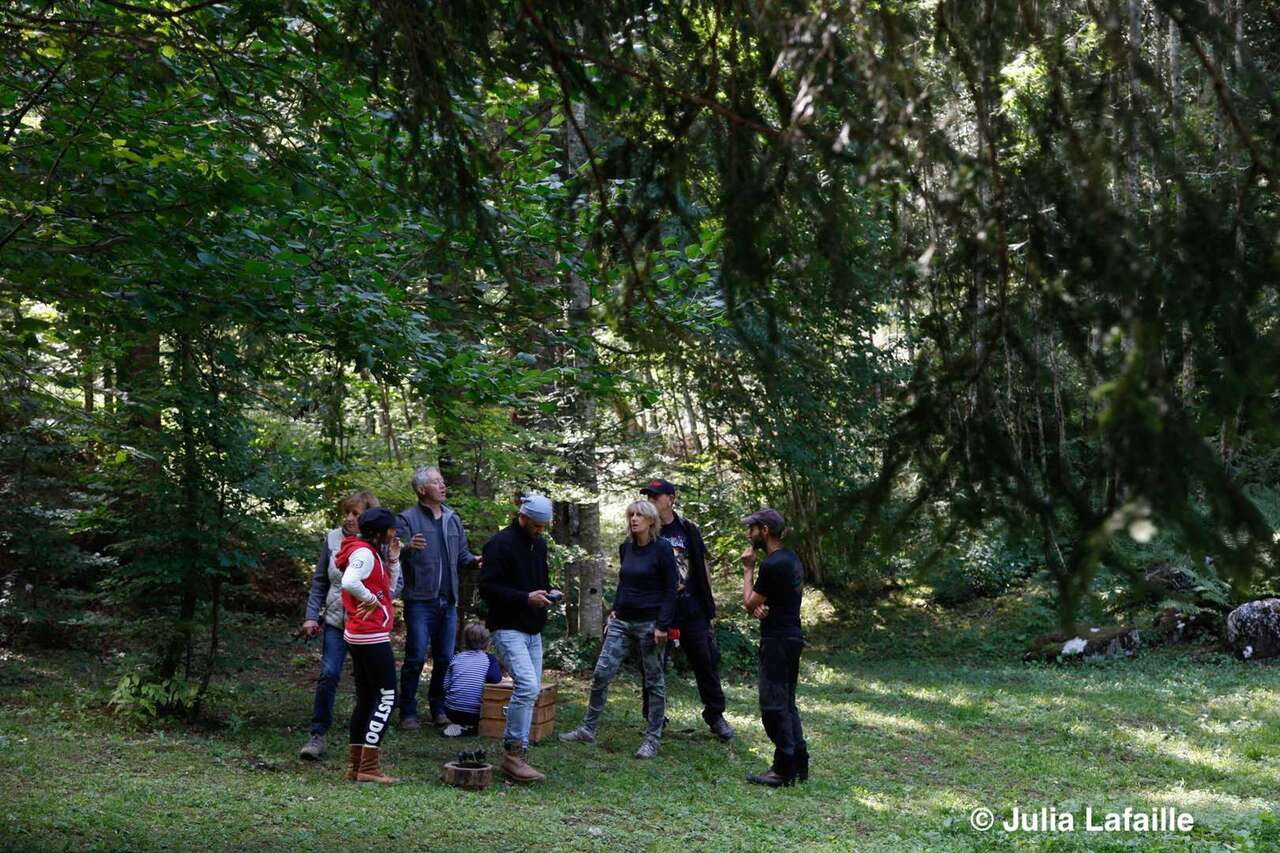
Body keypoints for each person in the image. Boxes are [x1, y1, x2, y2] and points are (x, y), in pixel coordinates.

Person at [560, 500, 676, 759]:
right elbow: (625, 583)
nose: (634, 519)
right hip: (622, 621)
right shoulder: (627, 547)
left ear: (651, 520)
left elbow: (671, 589)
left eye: (639, 515)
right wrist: (615, 608)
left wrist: (663, 625)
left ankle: (652, 739)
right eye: (631, 515)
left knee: (654, 682)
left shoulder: (662, 549)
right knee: (601, 673)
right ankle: (588, 728)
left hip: (650, 624)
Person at [638, 478, 734, 742]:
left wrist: (708, 605)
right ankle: (654, 716)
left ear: (670, 498)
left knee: (705, 661)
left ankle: (715, 716)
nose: (651, 502)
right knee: (653, 665)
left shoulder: (688, 529)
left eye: (655, 497)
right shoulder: (647, 531)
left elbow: (701, 567)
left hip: (692, 607)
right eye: (648, 497)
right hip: (659, 609)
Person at [479, 493, 561, 783]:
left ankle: (520, 755)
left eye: (544, 525)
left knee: (531, 690)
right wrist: (525, 598)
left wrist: (548, 593)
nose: (541, 530)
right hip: (507, 626)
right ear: (522, 517)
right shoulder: (499, 544)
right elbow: (487, 588)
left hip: (532, 628)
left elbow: (539, 582)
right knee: (526, 686)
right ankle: (513, 755)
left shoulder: (538, 545)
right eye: (537, 525)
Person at [394, 466, 481, 729]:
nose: (443, 485)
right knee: (416, 657)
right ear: (422, 490)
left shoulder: (452, 518)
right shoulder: (406, 519)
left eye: (443, 481)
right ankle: (408, 712)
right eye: (436, 482)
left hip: (449, 601)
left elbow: (462, 555)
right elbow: (393, 554)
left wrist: (476, 560)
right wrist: (408, 548)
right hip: (420, 600)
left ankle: (438, 708)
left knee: (444, 657)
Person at [298, 490, 380, 761]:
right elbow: (320, 581)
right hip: (335, 620)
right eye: (346, 512)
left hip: (366, 625)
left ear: (366, 516)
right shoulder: (333, 539)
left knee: (366, 681)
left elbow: (392, 584)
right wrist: (311, 616)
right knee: (329, 674)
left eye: (355, 514)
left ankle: (364, 740)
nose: (348, 518)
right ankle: (318, 735)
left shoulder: (379, 542)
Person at [740, 508, 808, 787]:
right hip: (792, 636)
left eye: (752, 528)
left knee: (772, 706)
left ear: (765, 531)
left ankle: (782, 769)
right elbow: (769, 601)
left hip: (777, 640)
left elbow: (748, 602)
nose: (749, 534)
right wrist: (761, 608)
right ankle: (799, 762)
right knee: (787, 703)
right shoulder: (791, 559)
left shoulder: (770, 564)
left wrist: (747, 569)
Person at [337, 506, 403, 783]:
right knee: (388, 697)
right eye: (391, 528)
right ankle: (369, 766)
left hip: (361, 633)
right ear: (380, 531)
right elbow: (349, 581)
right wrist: (371, 600)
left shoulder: (371, 552)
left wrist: (394, 561)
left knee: (366, 698)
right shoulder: (364, 552)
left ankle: (355, 766)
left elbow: (388, 590)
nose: (394, 533)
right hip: (370, 635)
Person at [441, 622, 502, 737]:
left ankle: (459, 724)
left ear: (465, 640)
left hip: (451, 711)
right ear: (488, 642)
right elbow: (495, 679)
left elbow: (445, 686)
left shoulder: (456, 657)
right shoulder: (489, 659)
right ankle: (471, 728)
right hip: (475, 713)